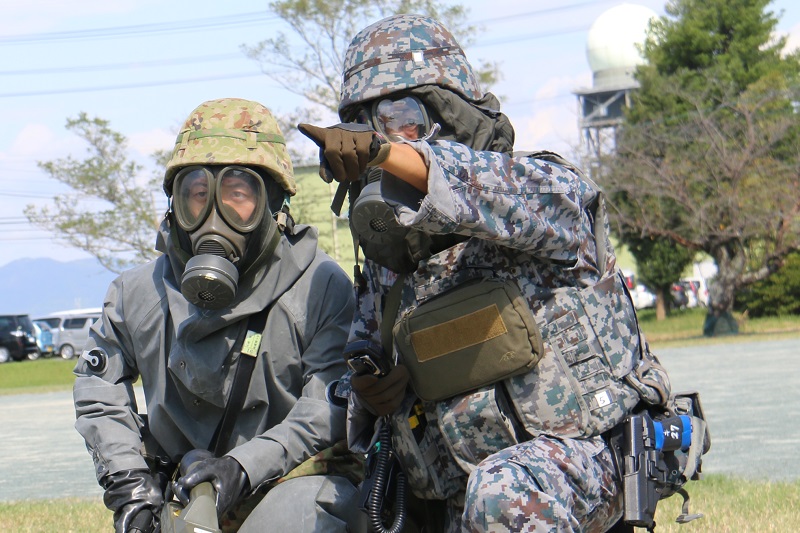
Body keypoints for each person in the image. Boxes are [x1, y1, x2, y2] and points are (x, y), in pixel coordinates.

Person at [298, 14, 674, 533]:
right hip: (460, 497)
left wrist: (393, 156)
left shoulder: (540, 192)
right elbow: (366, 373)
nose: (387, 136)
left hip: (581, 466)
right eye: (370, 125)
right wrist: (366, 392)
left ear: (450, 111)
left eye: (403, 116)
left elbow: (479, 187)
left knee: (504, 493)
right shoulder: (389, 266)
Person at [73, 98, 366, 533]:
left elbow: (325, 408)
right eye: (196, 196)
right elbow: (97, 386)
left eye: (238, 196)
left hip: (295, 478)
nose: (214, 220)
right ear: (174, 207)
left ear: (275, 205)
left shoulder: (319, 286)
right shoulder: (137, 294)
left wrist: (242, 466)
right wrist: (129, 483)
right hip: (187, 490)